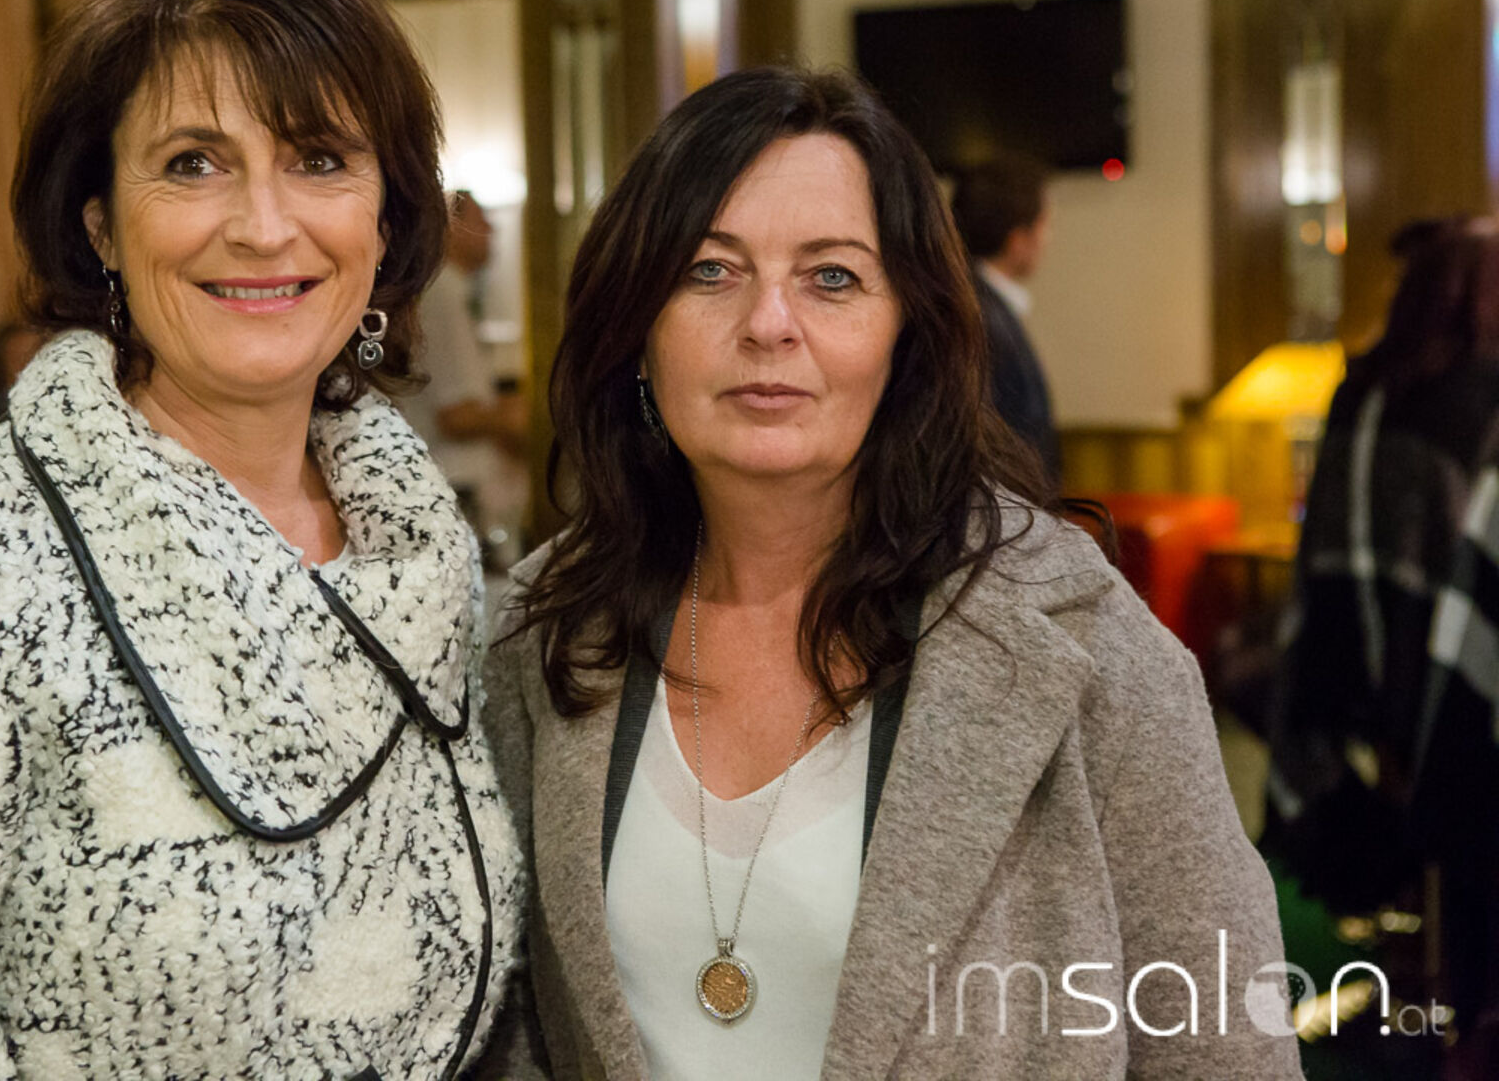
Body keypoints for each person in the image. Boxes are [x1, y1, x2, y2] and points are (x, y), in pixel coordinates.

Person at [0, 0, 522, 1079]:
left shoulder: (414, 555)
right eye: (194, 163)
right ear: (100, 221)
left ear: (387, 216)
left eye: (318, 158)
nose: (264, 224)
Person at [484, 67, 1298, 1079]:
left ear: (905, 329)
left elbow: (1226, 1048)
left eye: (832, 277)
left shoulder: (1083, 643)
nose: (769, 323)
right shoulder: (543, 631)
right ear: (637, 329)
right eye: (709, 270)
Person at [1267, 215, 1499, 1080]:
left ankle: (1410, 979)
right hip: (1440, 678)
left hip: (1338, 672)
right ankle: (1456, 999)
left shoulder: (1358, 387)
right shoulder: (1482, 398)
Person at [398, 190, 527, 548]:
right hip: (455, 487)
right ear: (451, 227)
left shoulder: (451, 289)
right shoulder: (442, 291)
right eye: (481, 220)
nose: (492, 231)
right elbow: (456, 416)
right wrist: (528, 418)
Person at [950, 157, 1059, 484]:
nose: (1049, 239)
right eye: (1045, 225)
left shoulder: (971, 302)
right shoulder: (982, 318)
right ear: (1019, 239)